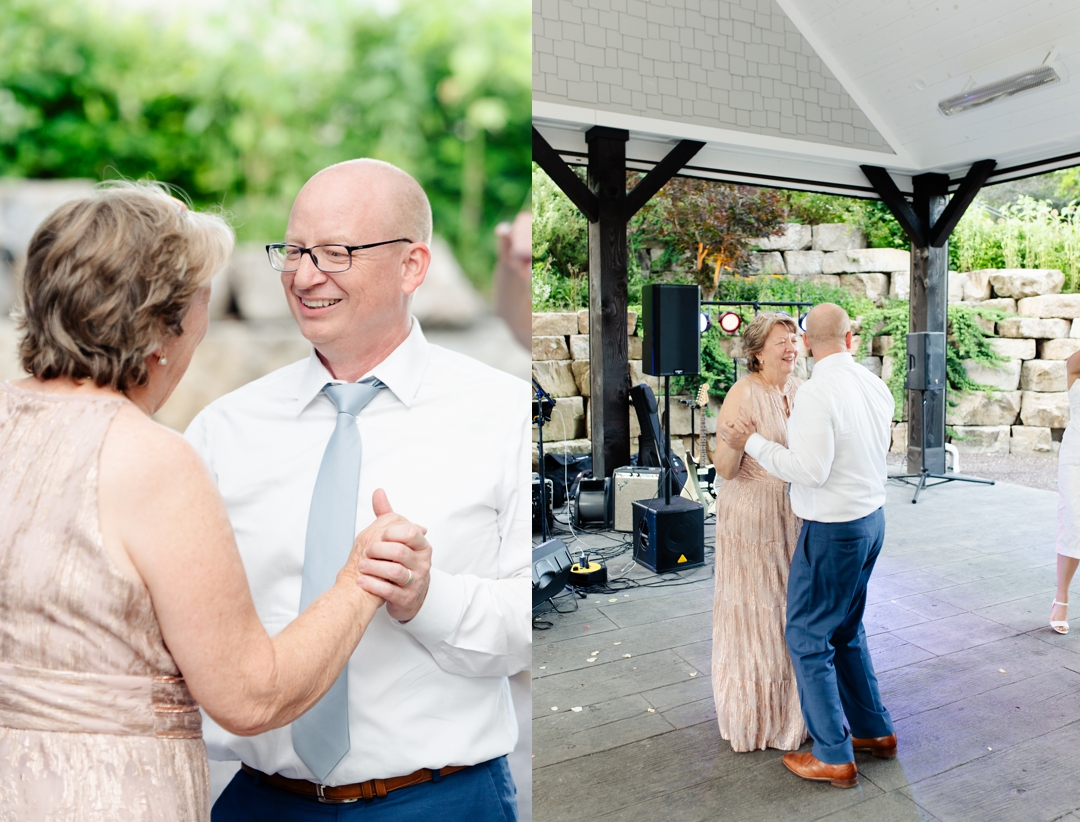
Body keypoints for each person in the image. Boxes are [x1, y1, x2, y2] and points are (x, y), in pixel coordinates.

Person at [0, 183, 427, 820]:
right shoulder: (152, 460)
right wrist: (364, 575)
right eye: (203, 300)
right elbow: (251, 696)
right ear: (162, 327)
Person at [185, 158, 530, 821]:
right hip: (261, 804)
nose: (305, 276)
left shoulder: (504, 414)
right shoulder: (223, 430)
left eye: (336, 253)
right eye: (293, 251)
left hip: (443, 801)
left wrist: (429, 596)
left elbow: (536, 617)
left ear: (412, 266)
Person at [725, 303, 896, 789]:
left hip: (834, 530)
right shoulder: (872, 383)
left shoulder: (817, 392)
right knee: (846, 629)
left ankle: (833, 756)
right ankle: (874, 731)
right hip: (872, 520)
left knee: (806, 637)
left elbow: (808, 470)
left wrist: (754, 442)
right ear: (848, 338)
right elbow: (882, 446)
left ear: (807, 339)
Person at [711, 313, 807, 752]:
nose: (790, 347)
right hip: (752, 515)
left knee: (791, 609)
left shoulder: (800, 391)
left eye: (793, 339)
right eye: (780, 342)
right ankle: (758, 717)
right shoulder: (742, 392)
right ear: (756, 353)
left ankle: (794, 713)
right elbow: (726, 470)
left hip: (795, 513)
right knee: (761, 613)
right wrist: (733, 441)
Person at [1052, 348, 1080, 633]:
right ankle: (1061, 597)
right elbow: (1073, 362)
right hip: (1076, 457)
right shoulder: (1076, 367)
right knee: (1073, 521)